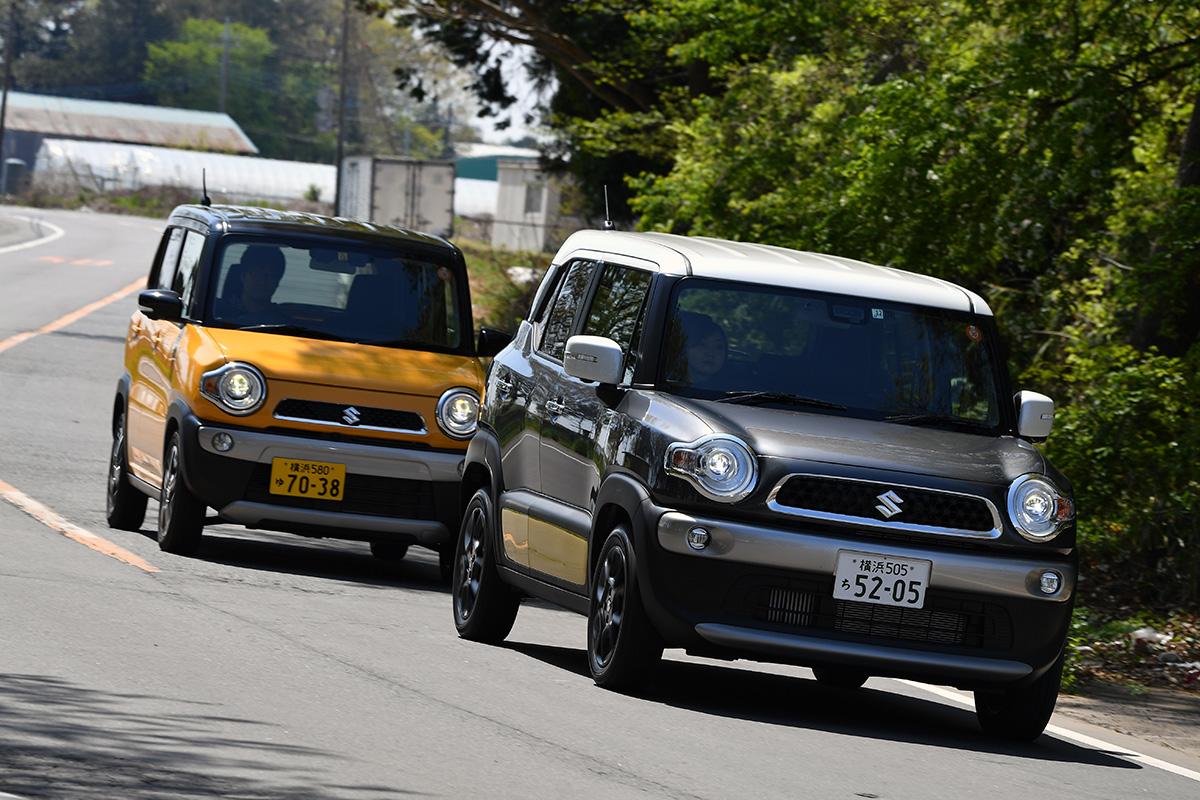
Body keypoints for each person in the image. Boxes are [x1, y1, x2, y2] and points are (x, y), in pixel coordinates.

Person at [218, 245, 286, 324]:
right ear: (243, 276)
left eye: (271, 275)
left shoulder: (282, 323)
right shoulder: (218, 312)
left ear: (277, 282)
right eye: (257, 274)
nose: (263, 281)